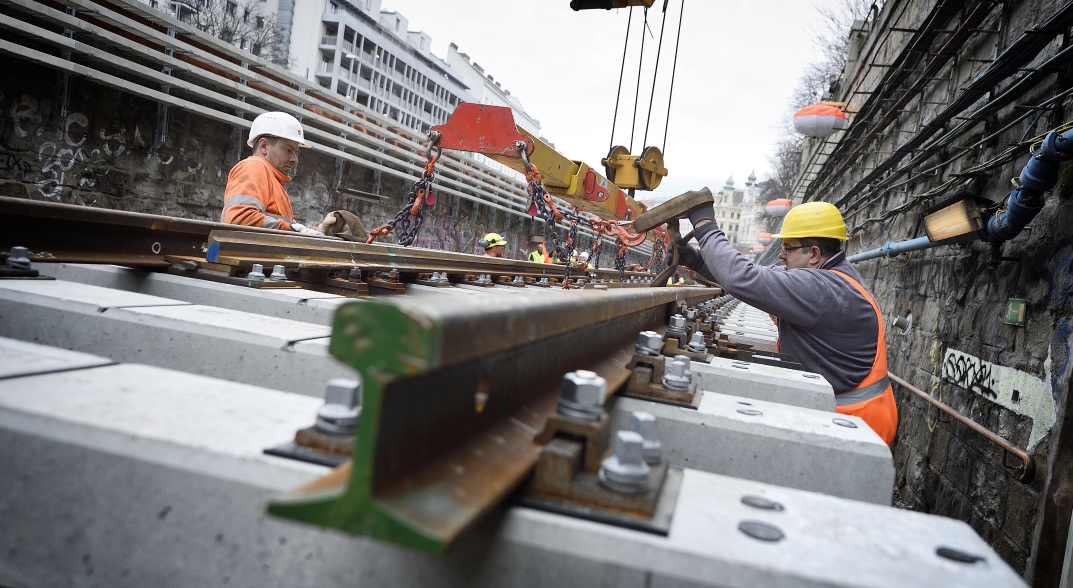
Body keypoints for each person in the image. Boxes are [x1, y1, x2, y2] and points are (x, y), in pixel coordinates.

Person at [633, 191, 898, 445]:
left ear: (814, 254)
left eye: (788, 248)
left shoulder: (823, 290)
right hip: (853, 414)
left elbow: (745, 279)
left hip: (853, 422)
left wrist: (704, 224)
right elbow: (760, 277)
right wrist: (700, 262)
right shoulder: (835, 278)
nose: (781, 254)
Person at [221, 112, 320, 235]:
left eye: (296, 152)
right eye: (288, 150)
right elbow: (239, 219)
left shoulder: (273, 180)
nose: (295, 159)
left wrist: (320, 231)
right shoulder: (254, 167)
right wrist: (295, 230)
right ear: (264, 146)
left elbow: (286, 227)